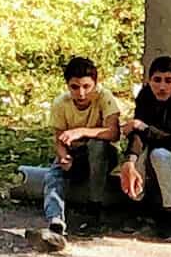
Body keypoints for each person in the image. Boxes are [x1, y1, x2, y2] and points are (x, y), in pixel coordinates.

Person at [42, 55, 121, 241]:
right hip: (74, 154)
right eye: (75, 87)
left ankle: (94, 209)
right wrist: (63, 157)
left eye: (86, 87)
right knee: (52, 176)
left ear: (95, 83)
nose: (81, 93)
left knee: (97, 146)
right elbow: (59, 139)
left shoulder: (104, 98)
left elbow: (113, 133)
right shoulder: (61, 103)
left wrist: (82, 132)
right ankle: (56, 220)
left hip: (102, 153)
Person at [119, 55, 171, 240]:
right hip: (150, 146)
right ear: (149, 81)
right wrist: (130, 159)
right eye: (157, 80)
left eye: (168, 81)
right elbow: (137, 134)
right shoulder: (145, 96)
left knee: (159, 155)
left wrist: (145, 128)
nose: (162, 87)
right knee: (136, 158)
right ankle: (136, 206)